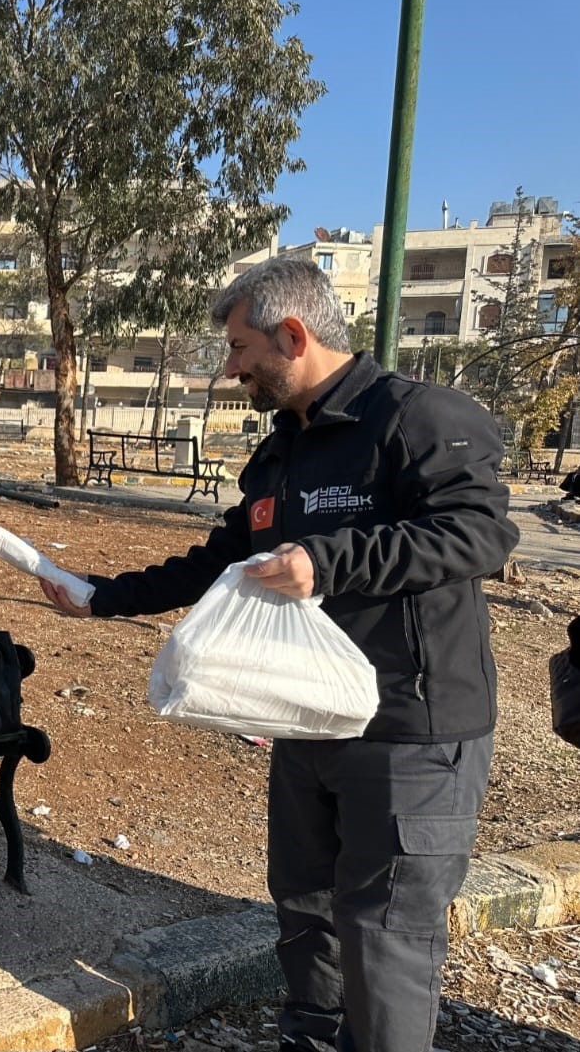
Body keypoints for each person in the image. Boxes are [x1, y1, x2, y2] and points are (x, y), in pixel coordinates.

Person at [41, 256, 519, 1052]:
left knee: (384, 932)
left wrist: (327, 562)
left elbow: (479, 532)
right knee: (302, 905)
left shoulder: (417, 418)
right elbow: (220, 559)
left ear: (292, 335)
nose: (230, 369)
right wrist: (101, 594)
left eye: (237, 348)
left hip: (411, 731)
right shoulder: (280, 452)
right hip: (308, 723)